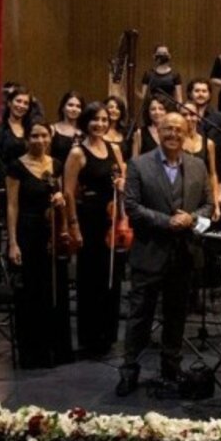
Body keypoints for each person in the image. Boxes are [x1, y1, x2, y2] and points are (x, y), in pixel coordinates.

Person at [117, 112, 214, 395]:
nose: (173, 134)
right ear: (158, 132)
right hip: (149, 252)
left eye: (178, 130)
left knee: (176, 315)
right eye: (167, 129)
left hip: (184, 254)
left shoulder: (197, 165)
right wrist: (166, 221)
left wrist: (191, 218)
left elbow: (208, 205)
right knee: (139, 316)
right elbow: (132, 206)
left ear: (186, 133)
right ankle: (129, 370)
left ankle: (171, 367)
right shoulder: (139, 164)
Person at [5, 121, 72, 368]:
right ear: (27, 139)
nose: (40, 140)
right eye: (34, 136)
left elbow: (62, 199)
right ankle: (33, 353)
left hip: (51, 233)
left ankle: (56, 350)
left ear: (50, 138)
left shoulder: (56, 165)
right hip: (27, 232)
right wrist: (13, 243)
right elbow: (12, 206)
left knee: (54, 290)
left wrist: (61, 201)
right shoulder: (16, 166)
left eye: (44, 135)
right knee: (31, 293)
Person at [64, 101, 126, 356]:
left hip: (112, 217)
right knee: (90, 279)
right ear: (85, 122)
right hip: (89, 219)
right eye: (95, 120)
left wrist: (121, 183)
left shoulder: (114, 148)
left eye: (104, 120)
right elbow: (68, 192)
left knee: (112, 278)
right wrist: (74, 226)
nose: (100, 124)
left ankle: (107, 336)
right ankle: (90, 338)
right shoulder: (77, 153)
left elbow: (123, 177)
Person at [0, 86, 33, 186]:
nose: (21, 105)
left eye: (26, 103)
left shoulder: (32, 131)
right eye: (18, 101)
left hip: (31, 184)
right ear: (9, 103)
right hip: (7, 185)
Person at [138, 44, 184, 114]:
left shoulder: (175, 74)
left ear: (169, 56)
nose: (162, 55)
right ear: (154, 56)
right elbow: (143, 96)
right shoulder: (148, 74)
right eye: (159, 53)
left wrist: (179, 111)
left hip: (170, 107)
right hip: (154, 107)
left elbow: (179, 98)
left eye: (164, 53)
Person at [51, 91, 84, 166]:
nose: (74, 109)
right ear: (63, 107)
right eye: (70, 105)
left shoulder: (85, 133)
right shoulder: (52, 130)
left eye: (78, 106)